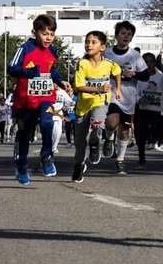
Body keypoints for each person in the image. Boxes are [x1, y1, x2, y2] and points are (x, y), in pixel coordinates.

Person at [7, 13, 65, 184]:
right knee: (25, 134)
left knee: (48, 123)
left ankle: (47, 156)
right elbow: (11, 68)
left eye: (52, 34)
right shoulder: (24, 49)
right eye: (44, 33)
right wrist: (28, 73)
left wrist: (61, 81)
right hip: (25, 100)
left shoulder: (52, 50)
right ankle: (22, 164)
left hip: (45, 97)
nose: (48, 38)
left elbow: (52, 71)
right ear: (34, 33)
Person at [69, 30, 121, 182]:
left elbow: (117, 72)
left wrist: (118, 89)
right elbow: (79, 86)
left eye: (93, 42)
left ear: (103, 47)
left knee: (98, 123)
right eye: (87, 42)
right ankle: (79, 165)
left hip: (100, 103)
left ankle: (95, 142)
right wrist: (98, 89)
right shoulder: (82, 64)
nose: (89, 45)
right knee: (79, 142)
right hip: (83, 106)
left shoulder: (108, 64)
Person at [103, 21, 144, 174]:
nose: (126, 36)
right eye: (123, 33)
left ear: (131, 38)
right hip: (112, 93)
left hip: (129, 97)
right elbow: (97, 67)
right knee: (112, 122)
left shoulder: (135, 56)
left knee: (124, 131)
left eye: (129, 34)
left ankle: (120, 159)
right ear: (116, 36)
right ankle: (108, 138)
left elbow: (145, 74)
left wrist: (134, 73)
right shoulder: (106, 53)